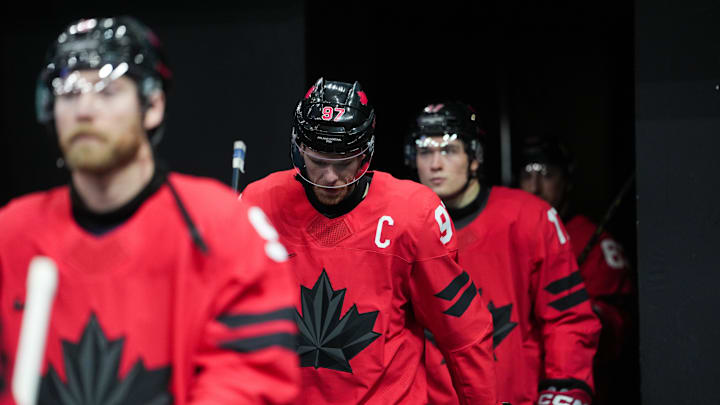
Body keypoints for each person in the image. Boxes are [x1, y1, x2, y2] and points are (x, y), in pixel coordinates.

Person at [0, 16, 300, 404]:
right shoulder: (11, 234)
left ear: (153, 105)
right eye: (69, 92)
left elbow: (252, 378)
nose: (84, 109)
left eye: (107, 90)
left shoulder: (224, 228)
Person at [240, 78, 498, 404]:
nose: (331, 177)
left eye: (344, 161)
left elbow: (464, 331)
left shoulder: (414, 214)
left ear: (366, 152)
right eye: (319, 161)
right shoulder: (259, 204)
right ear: (299, 148)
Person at [404, 101, 601, 405]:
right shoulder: (396, 228)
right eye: (425, 151)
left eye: (448, 150)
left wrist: (566, 387)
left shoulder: (529, 217)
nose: (435, 164)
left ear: (475, 157)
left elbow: (568, 317)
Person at [516, 134, 636, 405]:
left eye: (546, 174)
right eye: (527, 174)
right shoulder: (503, 239)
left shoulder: (597, 244)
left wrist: (580, 316)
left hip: (574, 388)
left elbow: (619, 328)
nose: (534, 187)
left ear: (567, 179)